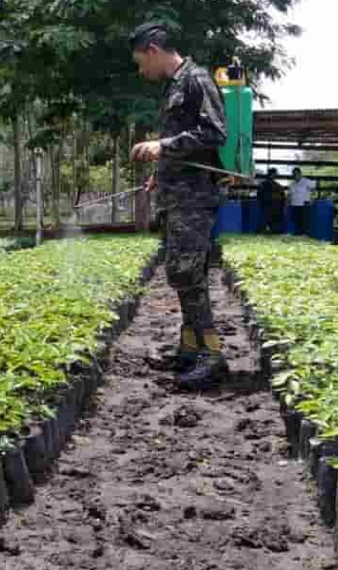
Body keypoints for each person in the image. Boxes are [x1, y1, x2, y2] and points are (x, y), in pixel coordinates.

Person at [129, 22, 229, 391]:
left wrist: (162, 146)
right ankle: (189, 350)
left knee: (188, 274)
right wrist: (161, 172)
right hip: (176, 195)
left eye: (141, 62)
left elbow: (215, 132)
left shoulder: (196, 79)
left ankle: (212, 357)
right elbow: (185, 144)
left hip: (194, 197)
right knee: (181, 273)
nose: (141, 71)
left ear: (153, 50)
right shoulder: (174, 86)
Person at [288, 168, 315, 236]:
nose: (295, 175)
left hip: (304, 203)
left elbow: (313, 189)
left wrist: (312, 198)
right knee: (296, 219)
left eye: (296, 174)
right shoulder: (292, 184)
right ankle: (298, 233)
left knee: (305, 219)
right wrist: (288, 203)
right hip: (294, 204)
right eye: (294, 174)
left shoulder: (306, 181)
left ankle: (305, 233)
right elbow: (289, 195)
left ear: (300, 174)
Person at [257, 168, 285, 233]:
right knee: (266, 224)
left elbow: (282, 197)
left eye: (275, 174)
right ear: (270, 174)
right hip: (267, 208)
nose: (274, 175)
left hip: (275, 209)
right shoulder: (264, 184)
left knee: (274, 226)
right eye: (273, 174)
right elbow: (259, 196)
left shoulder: (277, 185)